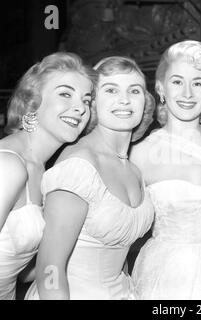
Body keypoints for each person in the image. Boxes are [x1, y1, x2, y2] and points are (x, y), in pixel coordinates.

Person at [25, 56, 155, 300]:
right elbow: (49, 268)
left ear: (145, 102)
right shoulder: (79, 166)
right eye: (111, 90)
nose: (124, 100)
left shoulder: (134, 169)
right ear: (93, 103)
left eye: (134, 90)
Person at [129, 40, 201, 300]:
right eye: (177, 82)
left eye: (198, 83)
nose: (188, 93)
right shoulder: (140, 153)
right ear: (161, 88)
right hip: (164, 276)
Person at [0, 52, 95, 300]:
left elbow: (22, 270)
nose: (80, 108)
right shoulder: (8, 165)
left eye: (86, 100)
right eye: (65, 94)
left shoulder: (41, 169)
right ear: (33, 103)